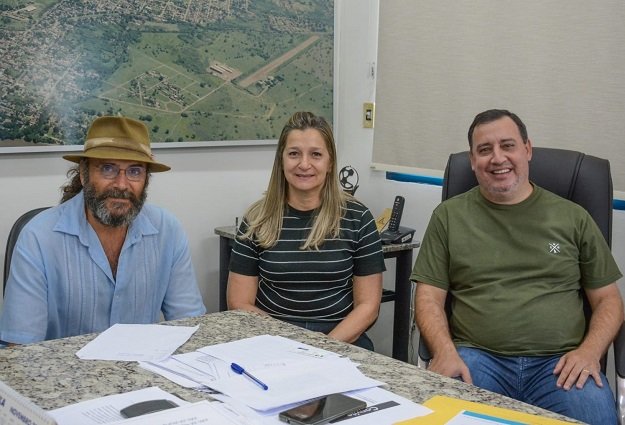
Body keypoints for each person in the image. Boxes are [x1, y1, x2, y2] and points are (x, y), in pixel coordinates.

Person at [411, 109, 623, 424]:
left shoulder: (573, 217)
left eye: (507, 146)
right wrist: (443, 351)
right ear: (473, 160)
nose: (498, 158)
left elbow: (609, 300)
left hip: (561, 365)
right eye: (485, 150)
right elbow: (428, 298)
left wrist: (590, 351)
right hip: (476, 359)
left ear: (527, 149)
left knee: (594, 414)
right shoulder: (448, 217)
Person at [0, 116, 206, 345]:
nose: (121, 184)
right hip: (63, 367)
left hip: (144, 364)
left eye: (135, 171)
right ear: (83, 173)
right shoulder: (39, 237)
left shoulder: (168, 230)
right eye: (108, 169)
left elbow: (189, 324)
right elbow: (21, 347)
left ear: (146, 179)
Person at [227, 111, 385, 350]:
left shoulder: (358, 218)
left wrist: (323, 346)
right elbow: (239, 302)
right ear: (281, 160)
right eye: (294, 154)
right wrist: (287, 343)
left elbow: (369, 306)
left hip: (340, 338)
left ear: (330, 163)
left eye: (316, 154)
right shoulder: (257, 219)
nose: (304, 164)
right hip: (272, 338)